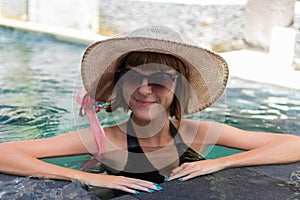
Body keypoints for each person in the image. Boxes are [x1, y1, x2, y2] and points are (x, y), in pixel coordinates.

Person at [0, 26, 299, 199]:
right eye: (132, 76)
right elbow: (5, 153)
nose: (144, 90)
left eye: (159, 78)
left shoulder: (196, 133)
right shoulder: (104, 140)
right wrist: (92, 179)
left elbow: (293, 144)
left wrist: (220, 164)